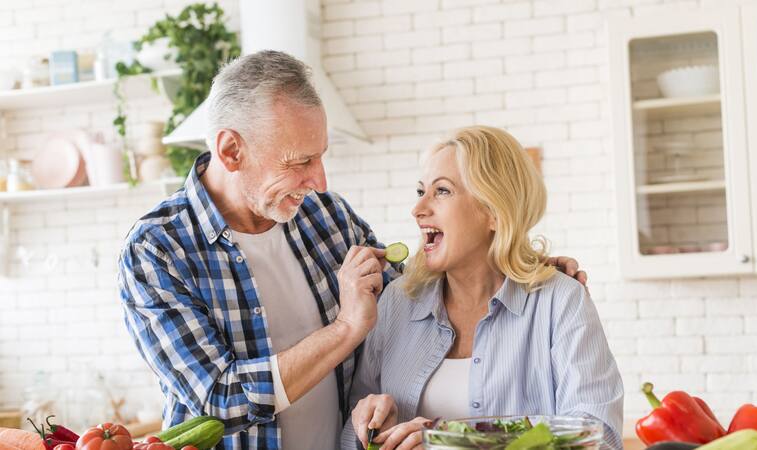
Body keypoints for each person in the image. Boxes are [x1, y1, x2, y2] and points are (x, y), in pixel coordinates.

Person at [118, 50, 587, 450]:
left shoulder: (325, 216)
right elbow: (217, 400)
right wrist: (345, 329)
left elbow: (412, 287)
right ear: (231, 151)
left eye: (320, 156)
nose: (319, 181)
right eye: (300, 161)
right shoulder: (158, 250)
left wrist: (518, 263)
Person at [342, 126, 624, 450]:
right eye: (421, 192)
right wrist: (374, 432)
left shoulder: (560, 301)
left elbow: (598, 436)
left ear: (493, 210)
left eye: (442, 191)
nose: (418, 209)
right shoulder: (396, 302)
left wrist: (449, 442)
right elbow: (350, 437)